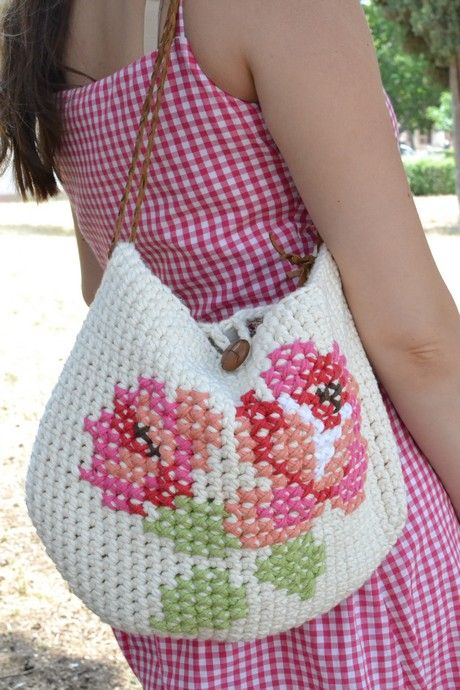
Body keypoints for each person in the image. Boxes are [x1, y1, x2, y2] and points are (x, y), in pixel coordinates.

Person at [1, 1, 459, 688]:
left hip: (187, 567)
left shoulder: (46, 19)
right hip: (352, 533)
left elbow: (107, 283)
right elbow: (415, 340)